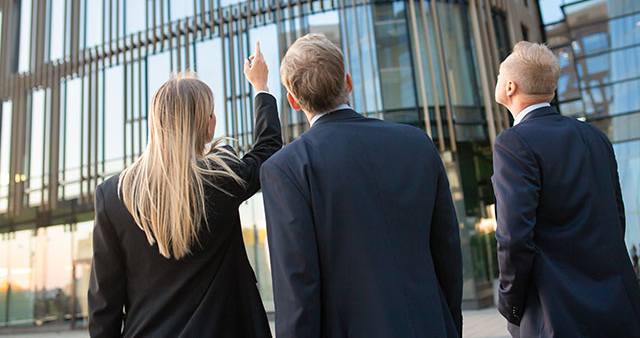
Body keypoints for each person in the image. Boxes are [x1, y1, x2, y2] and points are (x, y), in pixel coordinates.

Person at [260, 33, 463, 338]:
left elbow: (297, 292)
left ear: (292, 101)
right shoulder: (416, 143)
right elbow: (447, 253)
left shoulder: (286, 168)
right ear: (348, 82)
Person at [88, 42, 282, 337]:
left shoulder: (113, 195)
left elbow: (104, 306)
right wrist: (261, 86)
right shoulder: (222, 176)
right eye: (211, 113)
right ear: (206, 126)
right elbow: (268, 148)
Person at [492, 41, 640, 337]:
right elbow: (616, 218)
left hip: (557, 314)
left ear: (510, 87)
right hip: (619, 306)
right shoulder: (595, 137)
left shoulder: (513, 143)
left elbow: (514, 238)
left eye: (498, 76)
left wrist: (510, 306)